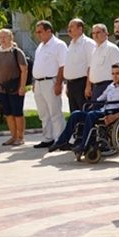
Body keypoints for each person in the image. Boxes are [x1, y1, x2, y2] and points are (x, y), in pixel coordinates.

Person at [48, 63, 119, 154]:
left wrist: (114, 117)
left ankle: (83, 145)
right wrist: (91, 104)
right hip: (104, 111)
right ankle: (62, 142)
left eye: (117, 73)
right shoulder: (111, 87)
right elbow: (100, 99)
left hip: (114, 113)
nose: (114, 76)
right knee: (76, 114)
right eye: (113, 74)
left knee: (91, 115)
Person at [32, 20, 68, 148]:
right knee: (43, 113)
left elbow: (62, 66)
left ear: (49, 31)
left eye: (40, 32)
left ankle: (61, 139)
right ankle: (48, 138)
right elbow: (38, 65)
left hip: (51, 81)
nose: (38, 35)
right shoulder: (40, 46)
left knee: (55, 112)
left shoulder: (59, 45)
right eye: (37, 32)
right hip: (39, 82)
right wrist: (35, 82)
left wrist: (58, 83)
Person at [0, 29, 28, 146]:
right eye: (0, 37)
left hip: (15, 88)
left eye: (4, 36)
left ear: (11, 37)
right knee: (8, 113)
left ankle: (20, 137)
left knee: (17, 113)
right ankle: (13, 136)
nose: (2, 39)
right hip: (2, 88)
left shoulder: (17, 52)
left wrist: (22, 87)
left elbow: (24, 70)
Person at [64, 18, 96, 112]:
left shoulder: (88, 43)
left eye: (72, 27)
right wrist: (67, 86)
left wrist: (88, 86)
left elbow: (91, 66)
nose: (69, 29)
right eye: (68, 27)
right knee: (74, 113)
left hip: (82, 83)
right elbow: (70, 66)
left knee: (84, 112)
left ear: (80, 29)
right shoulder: (71, 44)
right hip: (71, 85)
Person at [86, 24, 119, 101]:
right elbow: (91, 68)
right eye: (93, 33)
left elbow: (118, 70)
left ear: (106, 33)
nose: (95, 35)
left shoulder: (112, 48)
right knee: (95, 112)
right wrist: (88, 86)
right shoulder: (94, 49)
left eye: (98, 32)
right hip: (94, 87)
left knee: (105, 112)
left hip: (107, 86)